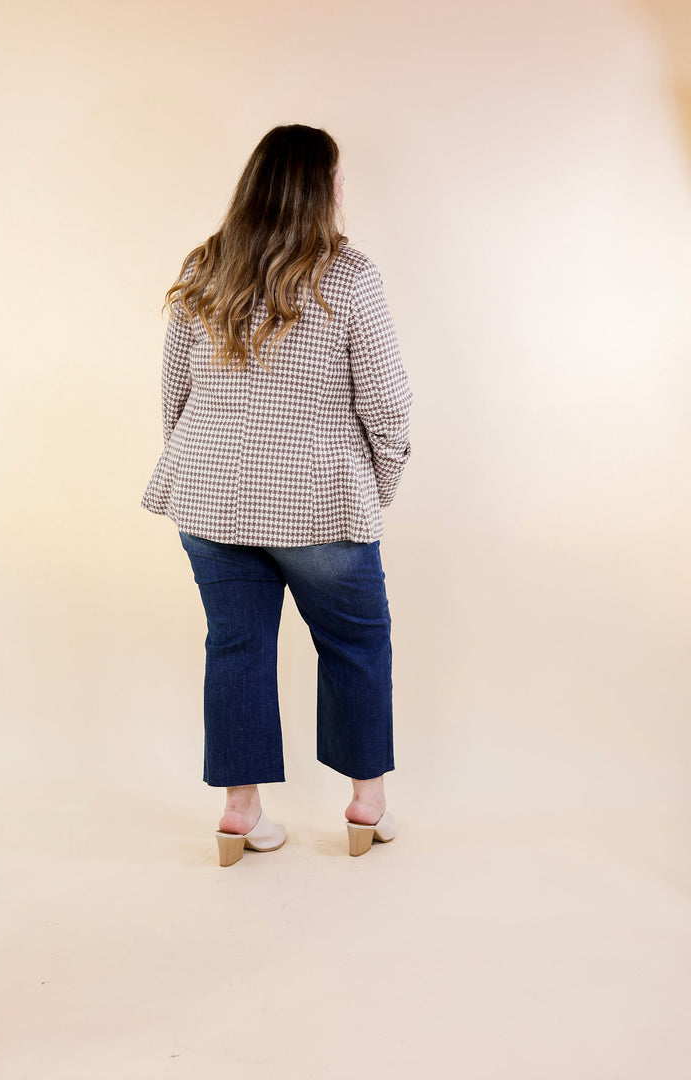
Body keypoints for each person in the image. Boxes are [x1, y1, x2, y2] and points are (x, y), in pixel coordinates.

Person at [141, 124, 413, 865]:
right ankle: (366, 805)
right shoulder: (349, 274)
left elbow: (175, 395)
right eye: (338, 177)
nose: (343, 190)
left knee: (236, 649)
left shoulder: (205, 267)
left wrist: (198, 468)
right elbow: (388, 406)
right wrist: (371, 489)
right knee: (356, 645)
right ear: (319, 188)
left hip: (208, 494)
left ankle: (240, 816)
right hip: (320, 500)